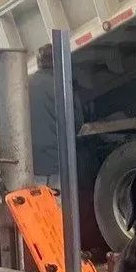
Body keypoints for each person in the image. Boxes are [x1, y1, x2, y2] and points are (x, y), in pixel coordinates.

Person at [28, 43, 85, 186]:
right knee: (57, 204)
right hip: (56, 160)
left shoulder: (24, 84)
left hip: (31, 160)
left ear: (39, 62)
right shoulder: (63, 86)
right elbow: (77, 121)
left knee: (36, 203)